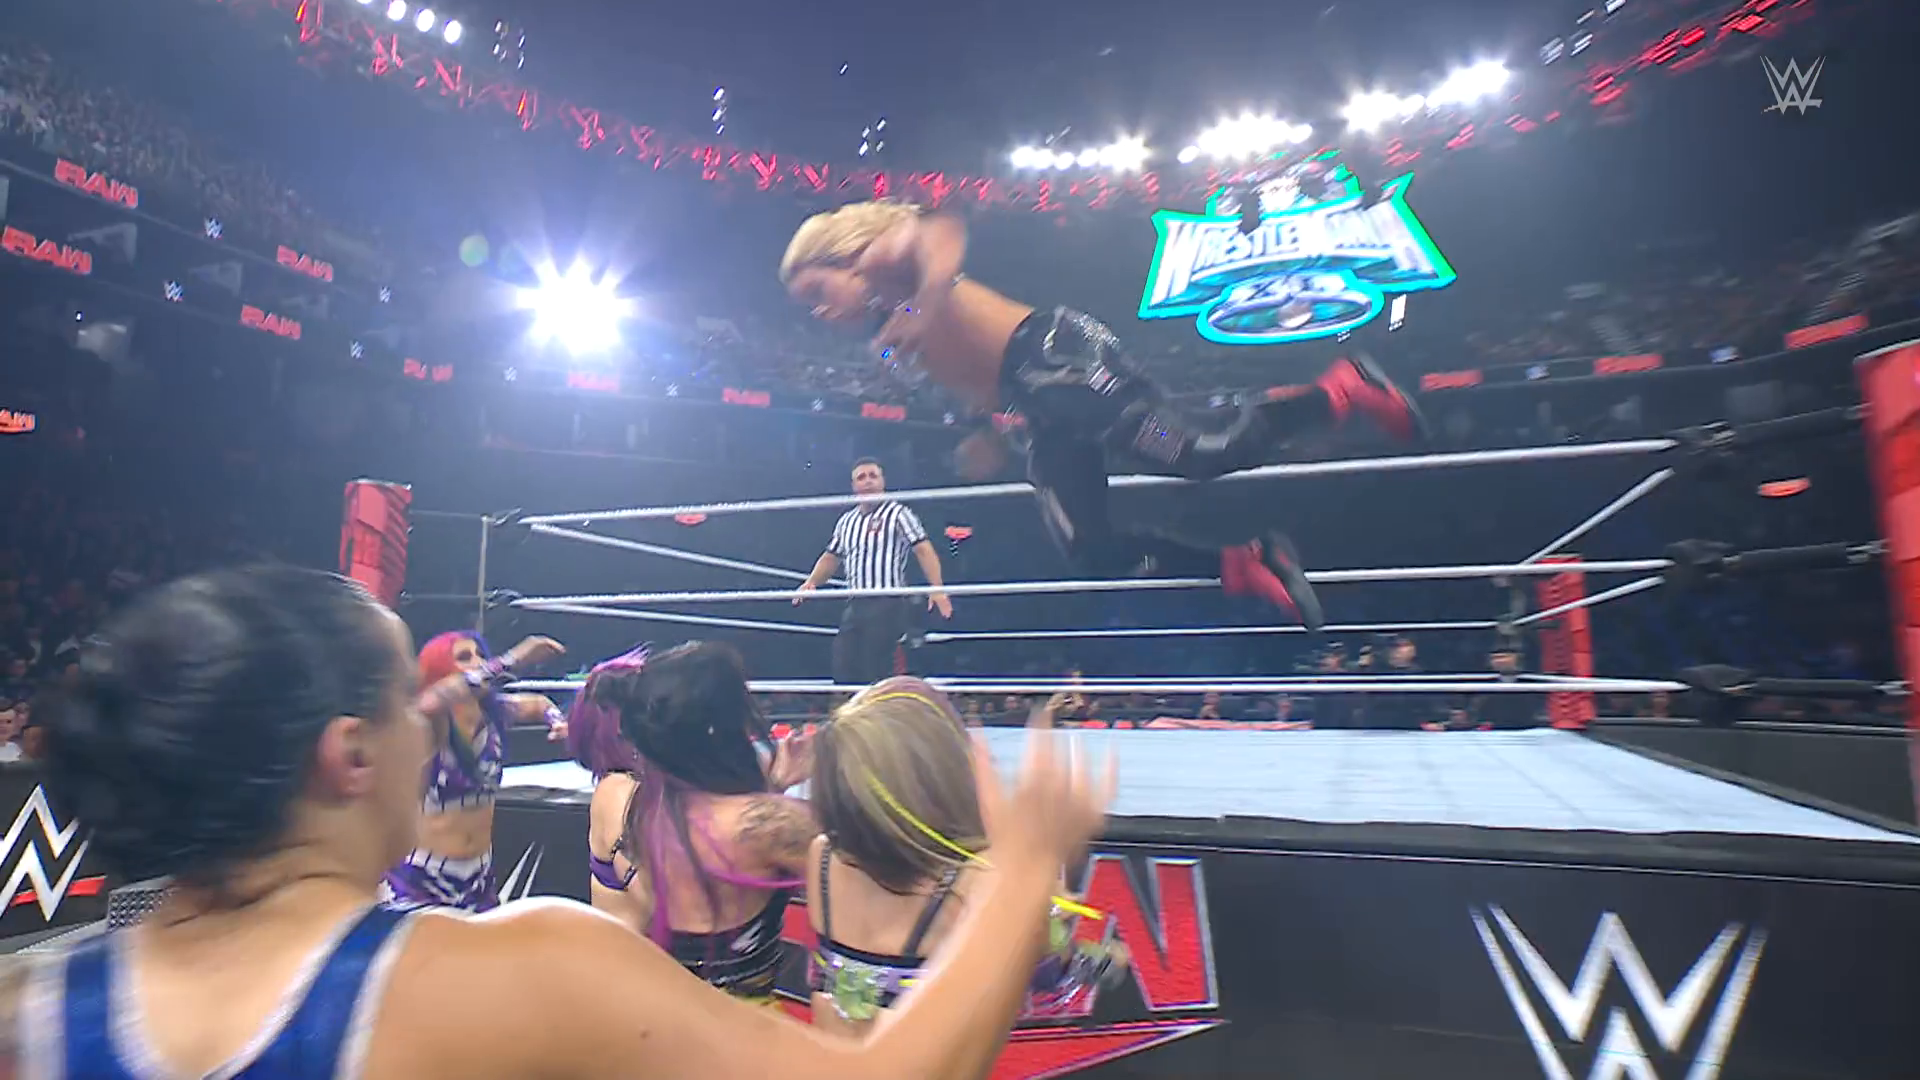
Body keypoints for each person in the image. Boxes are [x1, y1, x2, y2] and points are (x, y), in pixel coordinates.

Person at [5, 565, 1114, 1078]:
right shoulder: (517, 972)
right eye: (408, 702)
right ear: (350, 756)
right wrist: (1023, 865)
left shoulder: (29, 1008)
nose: (432, 725)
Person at [780, 201, 1431, 632]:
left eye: (815, 291)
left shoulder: (883, 258)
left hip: (1061, 359)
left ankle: (1343, 389)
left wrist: (921, 302)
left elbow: (943, 232)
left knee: (1194, 450)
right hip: (1039, 408)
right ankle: (1241, 560)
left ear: (841, 255)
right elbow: (959, 371)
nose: (817, 311)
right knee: (1089, 550)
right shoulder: (887, 329)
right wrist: (982, 429)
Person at [807, 678, 1125, 1033]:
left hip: (842, 1055)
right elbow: (1052, 977)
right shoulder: (976, 881)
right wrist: (1044, 896)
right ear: (943, 770)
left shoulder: (822, 856)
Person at [578, 639, 817, 1002]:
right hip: (739, 1027)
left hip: (638, 1017)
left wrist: (773, 787)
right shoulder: (771, 825)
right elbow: (869, 885)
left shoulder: (615, 798)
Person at [379, 630, 566, 912]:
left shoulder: (497, 714)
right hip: (423, 877)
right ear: (440, 669)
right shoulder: (429, 723)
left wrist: (556, 720)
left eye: (480, 655)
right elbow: (435, 699)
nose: (478, 662)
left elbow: (539, 704)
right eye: (464, 657)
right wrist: (511, 659)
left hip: (478, 876)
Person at [795, 458, 951, 685]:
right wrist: (811, 582)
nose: (867, 481)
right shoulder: (847, 521)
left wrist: (937, 588)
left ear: (882, 481)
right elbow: (831, 557)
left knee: (875, 665)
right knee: (843, 662)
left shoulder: (898, 513)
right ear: (854, 486)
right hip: (855, 602)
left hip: (887, 601)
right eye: (861, 477)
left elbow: (923, 549)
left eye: (873, 476)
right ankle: (850, 706)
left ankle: (880, 706)